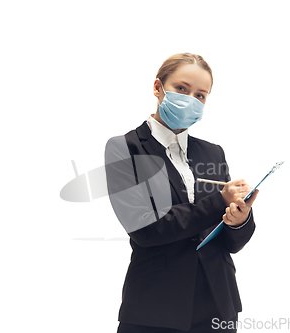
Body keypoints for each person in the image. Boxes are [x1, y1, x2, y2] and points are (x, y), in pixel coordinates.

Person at [105, 53, 258, 333]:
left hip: (217, 303)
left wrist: (239, 219)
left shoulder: (212, 152)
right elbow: (145, 229)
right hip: (154, 308)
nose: (191, 99)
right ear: (157, 87)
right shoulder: (126, 149)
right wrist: (219, 201)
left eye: (201, 95)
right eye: (182, 89)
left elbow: (231, 243)